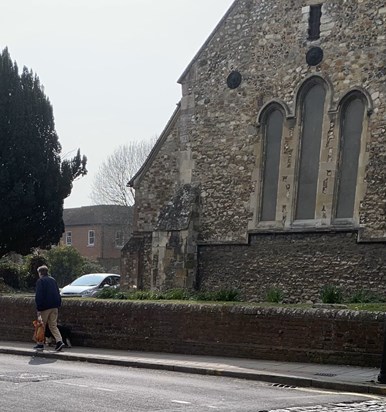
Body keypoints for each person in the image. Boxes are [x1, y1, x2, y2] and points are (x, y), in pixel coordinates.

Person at [34, 265, 65, 352]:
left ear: (40, 273)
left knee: (41, 325)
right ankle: (59, 341)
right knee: (53, 325)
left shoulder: (41, 281)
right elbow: (57, 293)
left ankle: (40, 344)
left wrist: (38, 308)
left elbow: (39, 295)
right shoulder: (53, 280)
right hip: (54, 306)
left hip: (44, 307)